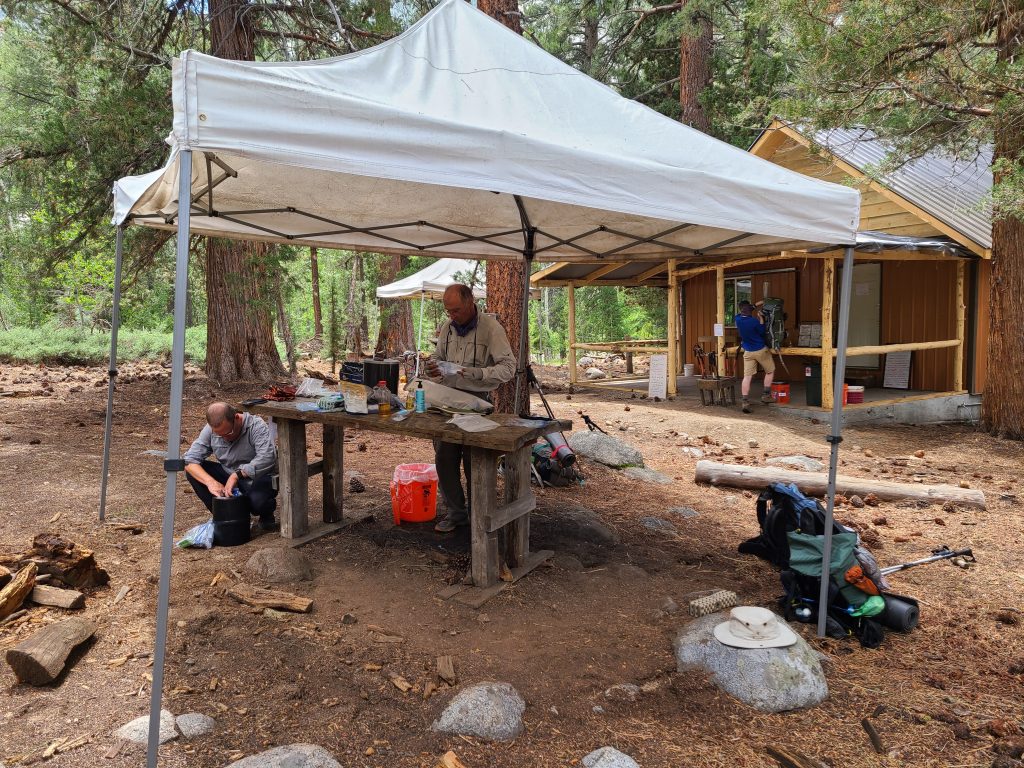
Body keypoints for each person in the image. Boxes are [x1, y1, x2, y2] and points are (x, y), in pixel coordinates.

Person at [424, 284, 516, 532]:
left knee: (474, 460)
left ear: (470, 302)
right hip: (447, 399)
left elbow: (509, 368)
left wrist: (479, 373)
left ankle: (478, 514)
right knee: (444, 457)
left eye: (456, 310)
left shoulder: (491, 328)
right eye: (448, 311)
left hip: (477, 401)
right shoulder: (448, 327)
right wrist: (433, 366)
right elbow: (438, 357)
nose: (452, 316)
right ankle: (456, 513)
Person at [183, 402, 280, 534]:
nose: (225, 438)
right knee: (195, 473)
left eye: (228, 433)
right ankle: (227, 516)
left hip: (258, 476)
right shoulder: (211, 429)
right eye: (220, 435)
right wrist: (211, 482)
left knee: (257, 502)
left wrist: (237, 475)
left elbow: (267, 457)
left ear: (237, 418)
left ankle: (266, 514)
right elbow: (189, 460)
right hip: (228, 473)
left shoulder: (256, 425)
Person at [735, 301, 775, 414]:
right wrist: (761, 317)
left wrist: (759, 303)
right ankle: (766, 395)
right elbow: (762, 331)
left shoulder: (737, 319)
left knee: (747, 377)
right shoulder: (754, 321)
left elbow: (748, 308)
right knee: (770, 371)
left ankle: (745, 402)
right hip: (760, 350)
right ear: (749, 310)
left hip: (748, 352)